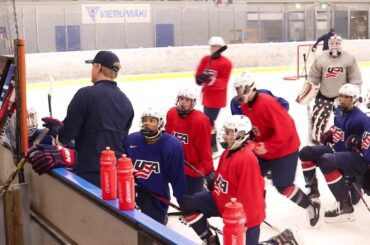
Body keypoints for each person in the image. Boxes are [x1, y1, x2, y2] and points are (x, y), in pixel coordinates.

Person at [29, 51, 134, 186]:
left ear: (98, 67)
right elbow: (119, 139)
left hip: (89, 173)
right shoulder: (126, 102)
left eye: (92, 67)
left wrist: (57, 130)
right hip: (116, 175)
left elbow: (66, 137)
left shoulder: (85, 94)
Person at [234, 72, 320, 227]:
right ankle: (256, 210)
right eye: (238, 89)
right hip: (265, 148)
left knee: (283, 186)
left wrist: (267, 146)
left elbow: (286, 130)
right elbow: (253, 127)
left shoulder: (266, 103)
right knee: (252, 178)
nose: (240, 93)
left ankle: (310, 205)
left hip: (285, 149)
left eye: (243, 89)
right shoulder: (245, 105)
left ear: (252, 87)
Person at [180, 115, 265, 245]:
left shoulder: (247, 160)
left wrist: (241, 222)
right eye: (225, 131)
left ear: (241, 134)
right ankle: (210, 240)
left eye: (229, 132)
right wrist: (212, 182)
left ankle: (277, 242)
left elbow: (250, 198)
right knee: (188, 204)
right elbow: (220, 178)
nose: (225, 136)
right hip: (221, 201)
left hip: (242, 215)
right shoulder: (227, 152)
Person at [299, 83, 367, 207]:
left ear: (355, 99)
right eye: (341, 96)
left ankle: (356, 188)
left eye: (347, 97)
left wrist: (358, 143)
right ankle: (312, 189)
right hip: (335, 149)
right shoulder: (339, 111)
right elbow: (337, 127)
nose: (342, 99)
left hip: (349, 157)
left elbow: (366, 147)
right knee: (305, 153)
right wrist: (330, 133)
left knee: (354, 199)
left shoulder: (361, 120)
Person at [123, 107, 187, 225]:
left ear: (161, 124)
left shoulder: (172, 145)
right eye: (145, 120)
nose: (147, 123)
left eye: (152, 120)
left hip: (156, 197)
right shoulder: (131, 140)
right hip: (131, 192)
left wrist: (184, 202)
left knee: (153, 232)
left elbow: (177, 178)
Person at [296, 35, 362, 144]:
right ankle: (317, 139)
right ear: (328, 44)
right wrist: (308, 90)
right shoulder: (321, 58)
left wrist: (355, 93)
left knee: (345, 120)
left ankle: (346, 140)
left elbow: (355, 78)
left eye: (337, 43)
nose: (335, 46)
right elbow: (313, 77)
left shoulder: (349, 58)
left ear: (341, 44)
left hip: (342, 97)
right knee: (318, 119)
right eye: (332, 43)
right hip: (324, 95)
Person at [165, 88, 214, 195]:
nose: (183, 102)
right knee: (180, 195)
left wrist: (209, 171)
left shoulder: (200, 120)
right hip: (175, 166)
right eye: (181, 99)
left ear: (193, 102)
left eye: (187, 100)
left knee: (192, 200)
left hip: (193, 170)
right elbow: (167, 140)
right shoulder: (171, 113)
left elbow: (204, 149)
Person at [195, 36, 232, 152]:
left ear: (221, 48)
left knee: (209, 121)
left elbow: (223, 83)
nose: (213, 49)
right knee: (208, 121)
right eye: (212, 47)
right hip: (206, 96)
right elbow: (199, 73)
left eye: (216, 47)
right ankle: (211, 145)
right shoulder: (206, 59)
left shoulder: (226, 63)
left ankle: (212, 146)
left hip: (217, 99)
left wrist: (211, 80)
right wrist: (199, 78)